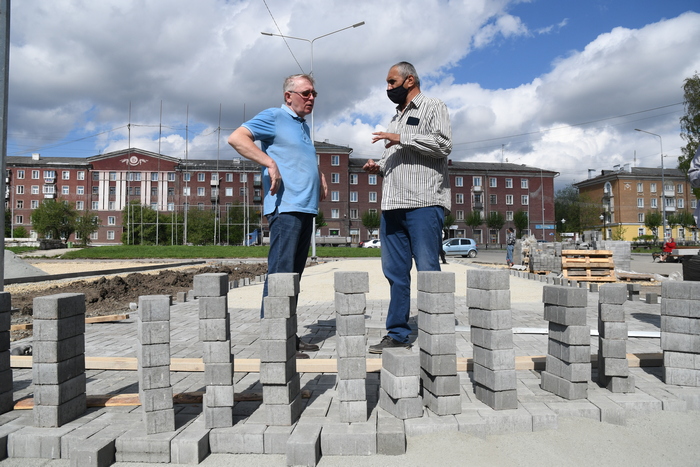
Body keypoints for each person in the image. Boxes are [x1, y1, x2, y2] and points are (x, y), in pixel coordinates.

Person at [228, 74, 327, 358]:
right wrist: (268, 162)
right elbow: (237, 137)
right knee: (280, 276)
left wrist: (318, 172)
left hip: (304, 209)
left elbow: (296, 155)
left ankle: (289, 336)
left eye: (314, 94)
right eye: (306, 93)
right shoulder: (274, 117)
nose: (311, 98)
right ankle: (274, 341)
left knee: (292, 278)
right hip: (285, 210)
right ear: (288, 96)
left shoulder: (302, 127)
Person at [363, 61, 452, 354]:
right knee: (396, 273)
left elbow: (442, 145)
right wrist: (378, 166)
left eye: (391, 82)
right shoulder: (395, 118)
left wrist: (400, 137)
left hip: (423, 203)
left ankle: (436, 332)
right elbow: (394, 159)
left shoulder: (433, 106)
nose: (388, 88)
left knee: (428, 270)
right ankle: (398, 333)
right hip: (392, 205)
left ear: (409, 80)